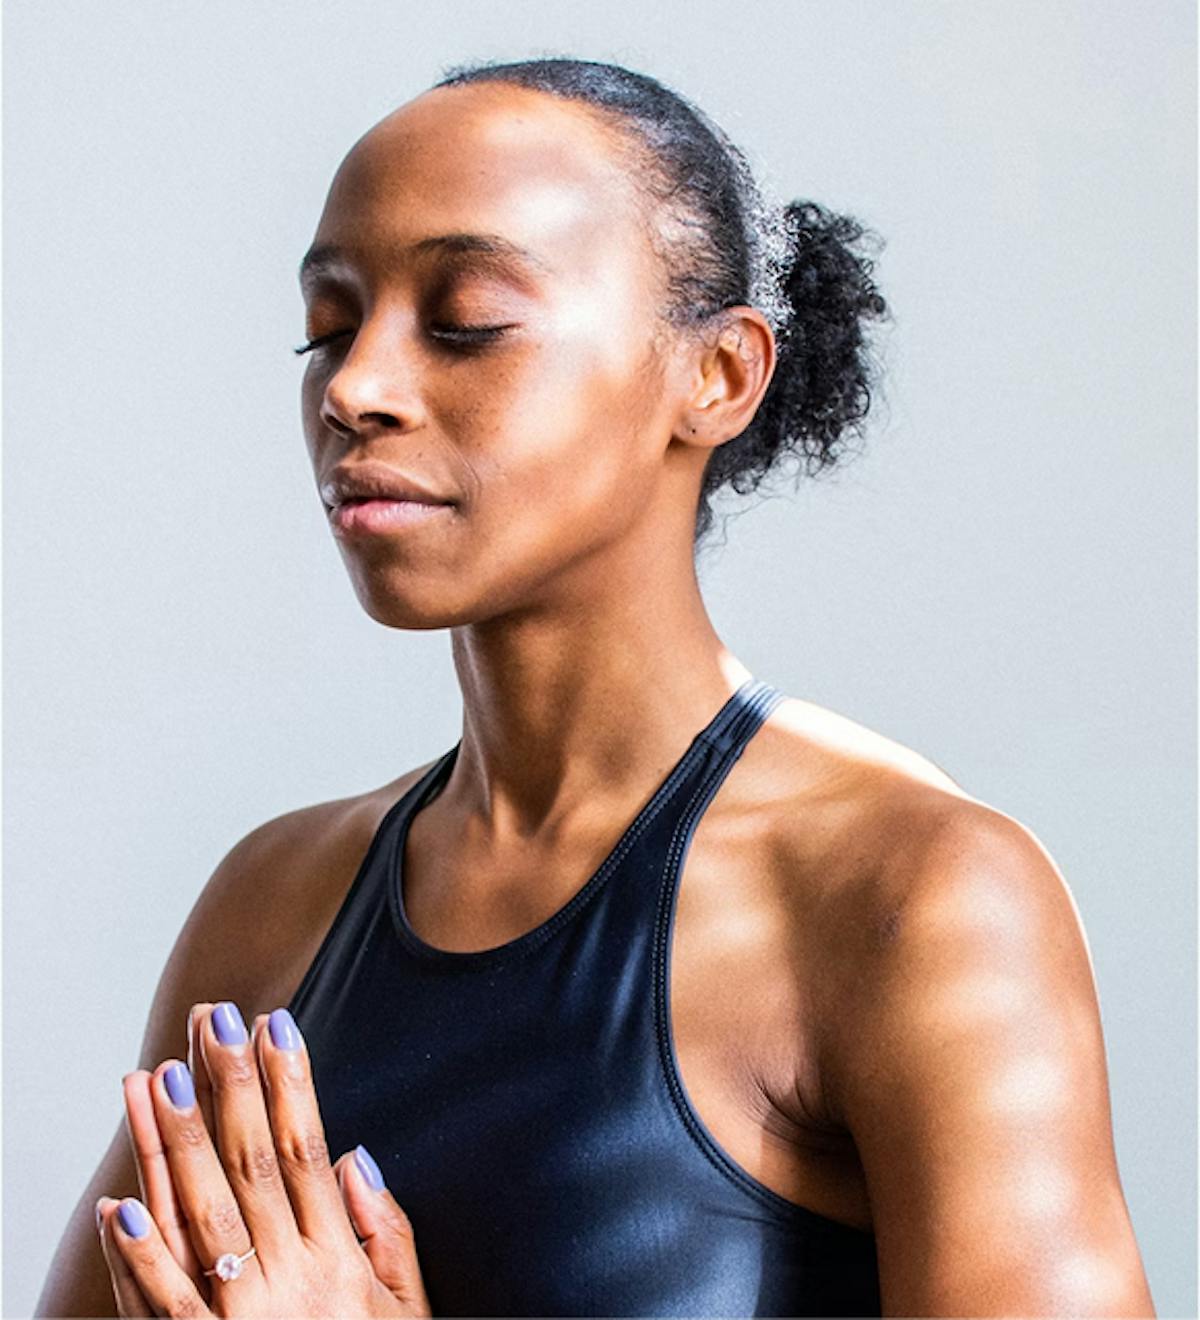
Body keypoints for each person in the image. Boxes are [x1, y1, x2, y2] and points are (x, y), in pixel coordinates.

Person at [38, 57, 1154, 1319]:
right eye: (330, 326)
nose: (356, 389)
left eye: (463, 320)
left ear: (718, 376)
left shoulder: (914, 898)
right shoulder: (270, 905)